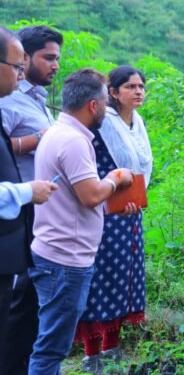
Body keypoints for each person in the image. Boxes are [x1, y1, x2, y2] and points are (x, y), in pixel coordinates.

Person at [27, 69, 135, 375]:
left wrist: (112, 207)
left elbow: (72, 199)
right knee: (52, 348)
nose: (106, 108)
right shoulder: (73, 141)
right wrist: (115, 178)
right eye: (105, 102)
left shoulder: (58, 132)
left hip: (57, 252)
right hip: (65, 260)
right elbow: (90, 195)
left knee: (50, 343)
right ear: (93, 105)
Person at [75, 66, 152, 372]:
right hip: (104, 213)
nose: (138, 91)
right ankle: (91, 353)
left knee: (125, 276)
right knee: (101, 278)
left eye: (141, 86)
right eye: (130, 86)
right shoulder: (101, 124)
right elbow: (90, 169)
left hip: (131, 214)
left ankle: (113, 346)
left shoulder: (138, 124)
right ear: (114, 92)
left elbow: (140, 170)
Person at [0, 24, 62, 374]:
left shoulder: (36, 98)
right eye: (47, 58)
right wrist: (39, 140)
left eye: (57, 59)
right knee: (18, 305)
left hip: (34, 216)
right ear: (24, 57)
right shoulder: (9, 98)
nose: (55, 65)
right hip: (15, 215)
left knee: (28, 305)